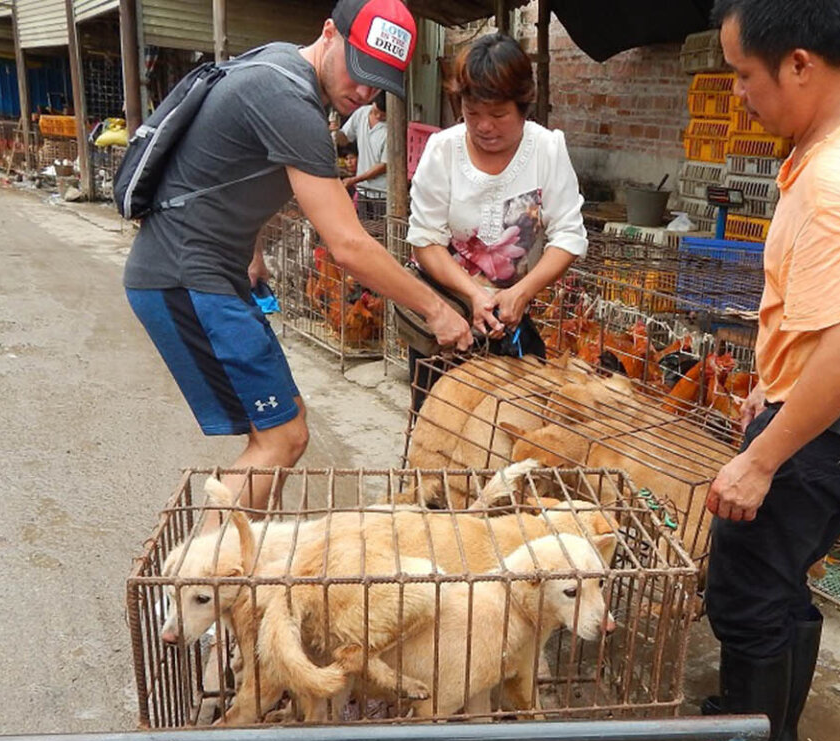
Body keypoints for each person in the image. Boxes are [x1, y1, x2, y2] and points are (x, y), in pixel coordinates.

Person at [687, 0, 840, 741]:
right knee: (784, 580)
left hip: (828, 424)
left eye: (744, 75)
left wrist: (762, 459)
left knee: (745, 589)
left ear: (798, 64)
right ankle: (769, 729)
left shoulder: (836, 178)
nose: (740, 94)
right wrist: (772, 386)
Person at [123, 0, 472, 514]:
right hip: (186, 277)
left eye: (378, 82)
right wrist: (437, 309)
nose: (363, 91)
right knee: (281, 438)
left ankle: (235, 569)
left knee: (286, 425)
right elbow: (348, 244)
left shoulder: (276, 65)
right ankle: (203, 586)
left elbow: (235, 169)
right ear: (330, 33)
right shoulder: (288, 99)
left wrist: (253, 251)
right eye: (359, 69)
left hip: (202, 272)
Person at [403, 31, 587, 395]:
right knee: (437, 430)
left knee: (512, 427)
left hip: (511, 318)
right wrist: (473, 294)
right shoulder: (443, 150)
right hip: (446, 322)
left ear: (523, 105)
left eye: (499, 114)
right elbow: (425, 241)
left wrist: (521, 292)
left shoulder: (547, 150)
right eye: (472, 113)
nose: (484, 126)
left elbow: (569, 235)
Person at [342, 91, 388, 219]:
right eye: (375, 111)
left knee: (380, 232)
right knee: (364, 227)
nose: (378, 116)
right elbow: (345, 137)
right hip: (363, 190)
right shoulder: (361, 113)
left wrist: (355, 180)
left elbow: (383, 166)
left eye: (383, 115)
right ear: (373, 102)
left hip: (382, 193)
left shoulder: (391, 130)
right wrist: (335, 132)